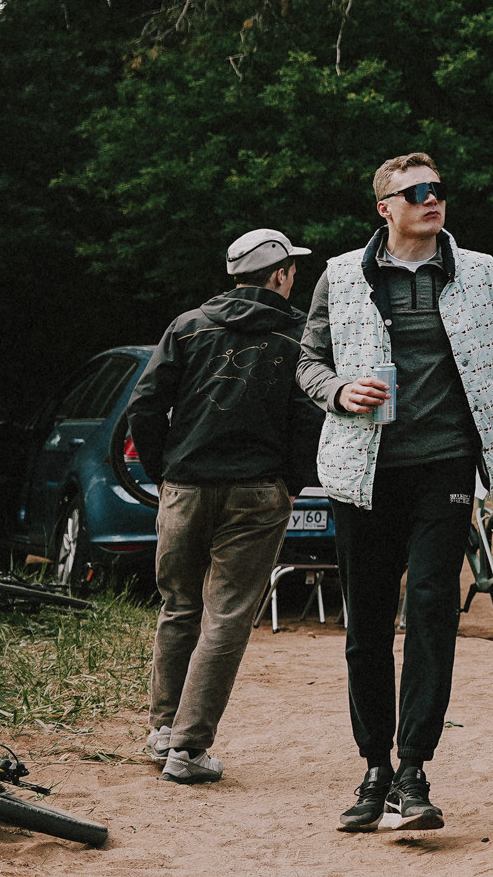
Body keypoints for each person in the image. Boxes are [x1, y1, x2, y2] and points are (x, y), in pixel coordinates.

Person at [300, 154, 493, 835]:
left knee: (433, 608)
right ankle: (374, 766)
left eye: (438, 190)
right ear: (386, 206)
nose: (433, 200)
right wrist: (338, 391)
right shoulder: (342, 275)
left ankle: (414, 768)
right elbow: (307, 362)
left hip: (445, 467)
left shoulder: (478, 270)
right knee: (369, 623)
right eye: (417, 192)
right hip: (362, 472)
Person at [127, 227, 319, 785]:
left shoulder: (187, 326)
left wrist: (164, 472)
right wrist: (294, 482)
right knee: (227, 616)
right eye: (292, 270)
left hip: (185, 487)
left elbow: (144, 405)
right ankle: (188, 750)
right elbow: (309, 416)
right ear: (280, 274)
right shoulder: (299, 333)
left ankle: (163, 731)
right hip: (258, 492)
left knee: (178, 606)